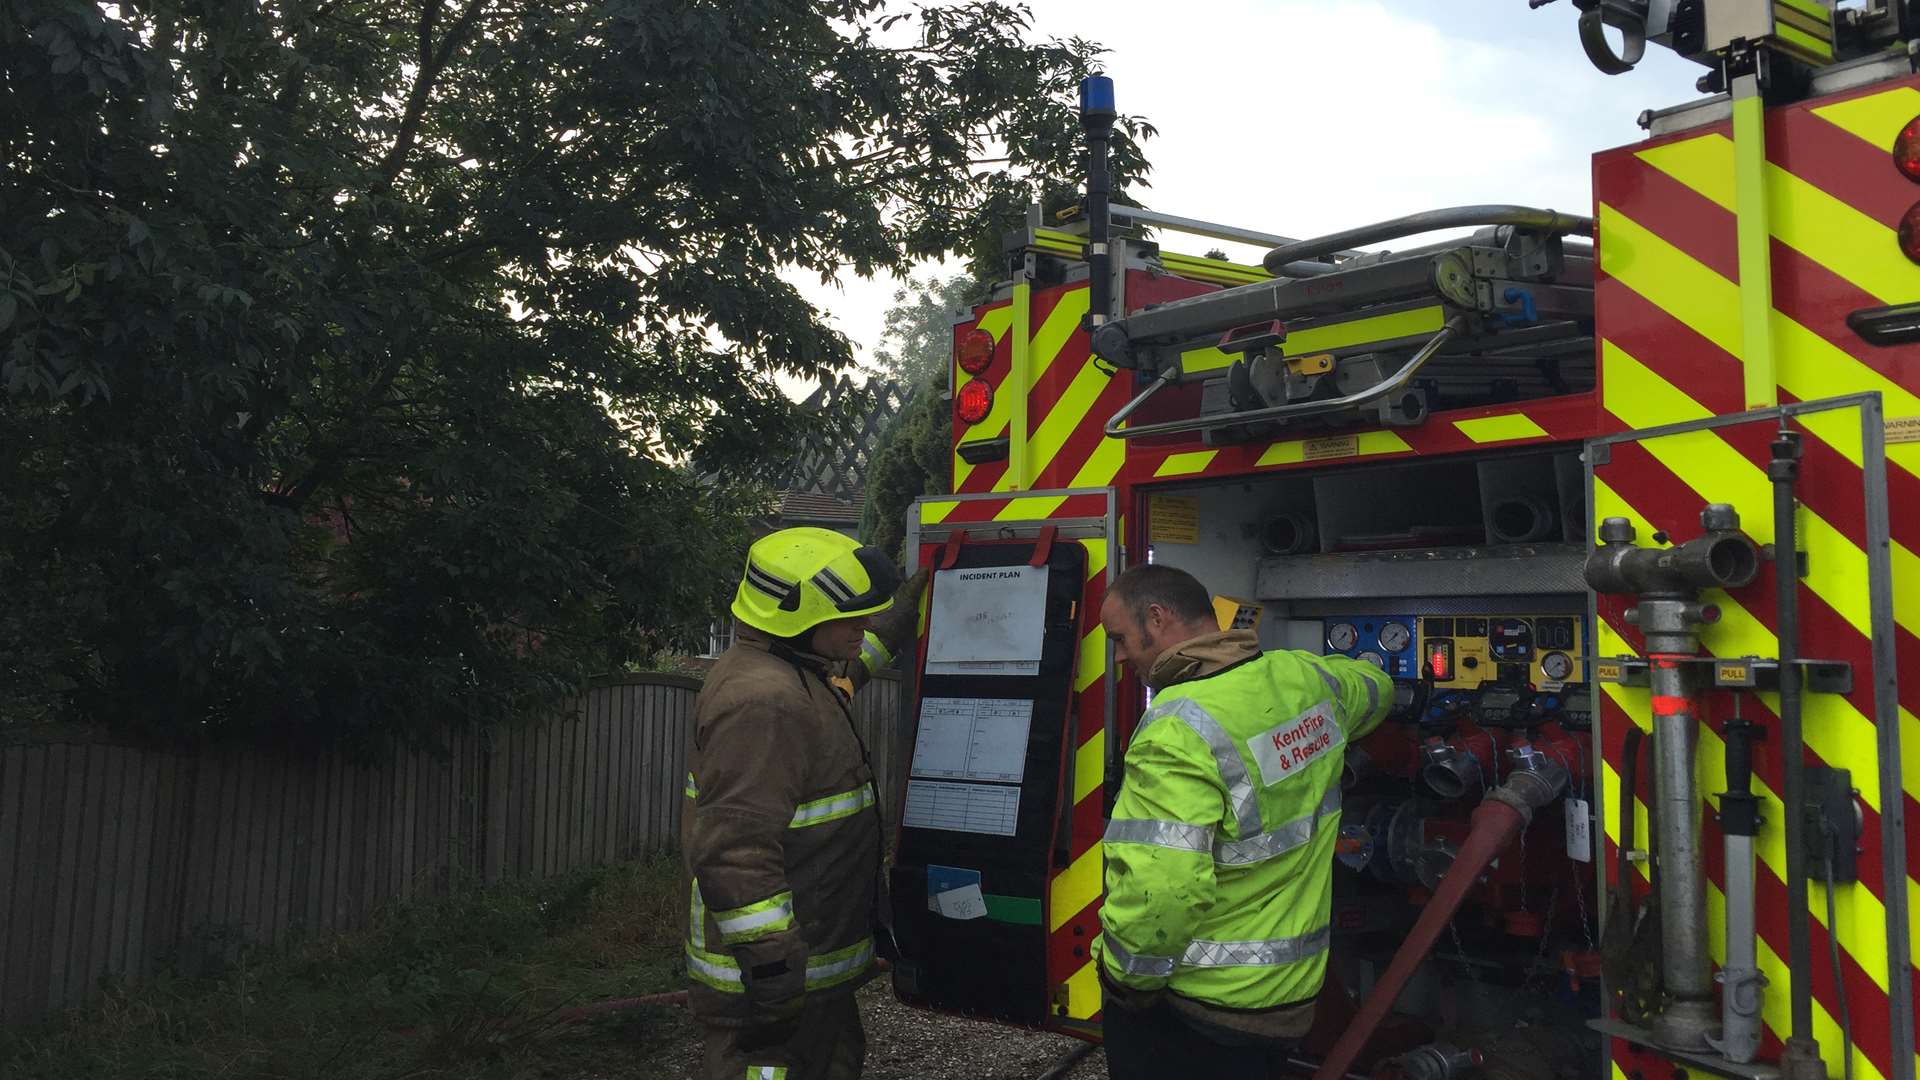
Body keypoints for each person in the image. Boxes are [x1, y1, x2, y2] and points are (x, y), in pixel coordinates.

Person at [1091, 564, 1391, 1079]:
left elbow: (1161, 892)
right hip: (1287, 999)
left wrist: (1125, 983)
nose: (1118, 657)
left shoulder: (1175, 730)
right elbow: (1377, 685)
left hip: (1198, 1008)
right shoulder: (1305, 677)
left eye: (1119, 639)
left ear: (1158, 618)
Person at [682, 527, 925, 1080]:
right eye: (851, 616)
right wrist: (775, 977)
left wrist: (912, 598)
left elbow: (854, 663)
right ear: (800, 621)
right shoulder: (765, 705)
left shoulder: (792, 671)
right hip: (776, 988)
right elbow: (735, 856)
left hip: (807, 975)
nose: (862, 626)